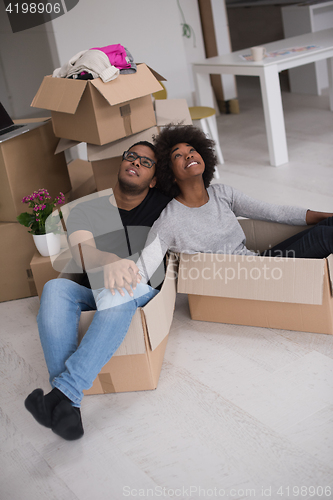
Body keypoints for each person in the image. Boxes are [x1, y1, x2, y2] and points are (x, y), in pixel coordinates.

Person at [24, 141, 171, 441]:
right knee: (54, 288)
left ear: (154, 179)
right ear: (120, 163)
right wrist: (107, 261)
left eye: (146, 162)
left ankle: (63, 394)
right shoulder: (87, 209)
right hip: (95, 287)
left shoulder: (163, 204)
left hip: (141, 287)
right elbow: (80, 251)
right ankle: (67, 406)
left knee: (119, 293)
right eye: (131, 156)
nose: (136, 163)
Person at [135, 124, 333, 288]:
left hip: (258, 263)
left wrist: (325, 215)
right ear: (170, 173)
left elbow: (274, 212)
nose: (189, 156)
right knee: (324, 237)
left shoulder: (221, 193)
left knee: (327, 226)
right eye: (178, 155)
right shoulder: (170, 220)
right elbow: (143, 269)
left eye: (192, 150)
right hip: (241, 280)